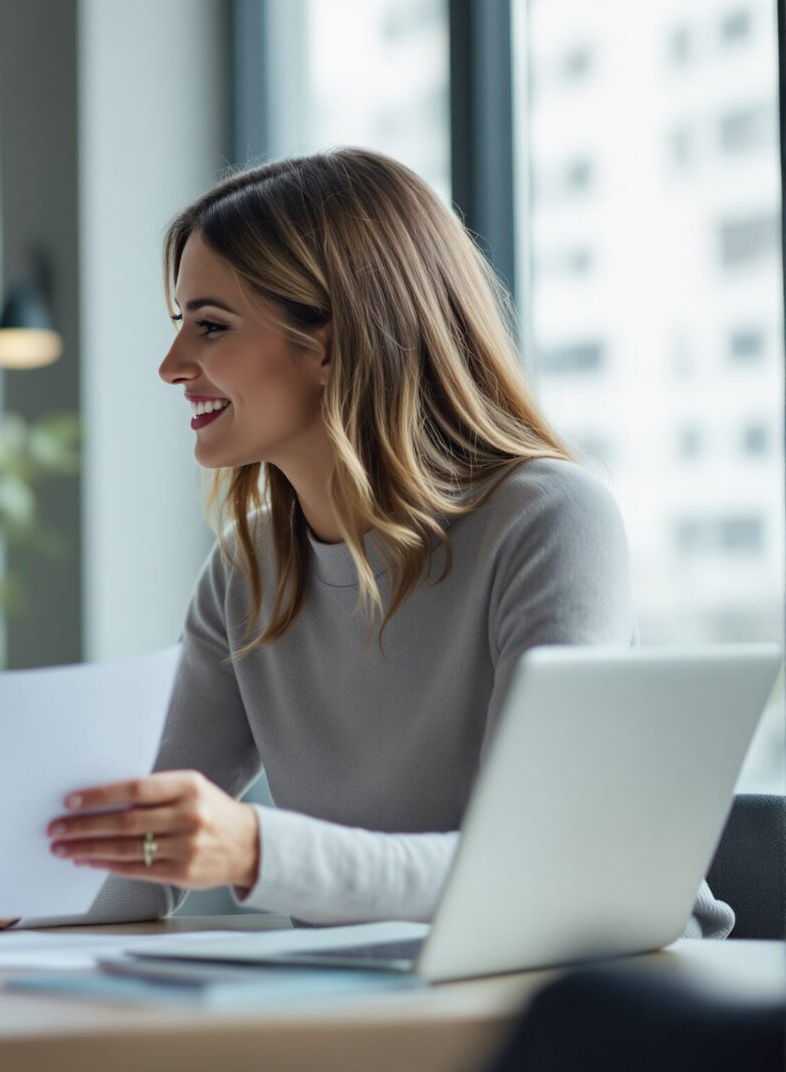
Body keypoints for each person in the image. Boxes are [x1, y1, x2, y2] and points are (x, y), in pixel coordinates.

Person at [39, 149, 733, 937]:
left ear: (331, 344)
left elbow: (545, 859)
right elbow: (140, 853)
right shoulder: (249, 567)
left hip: (605, 1002)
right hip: (380, 1008)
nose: (172, 366)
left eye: (211, 326)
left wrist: (259, 850)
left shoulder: (550, 519)